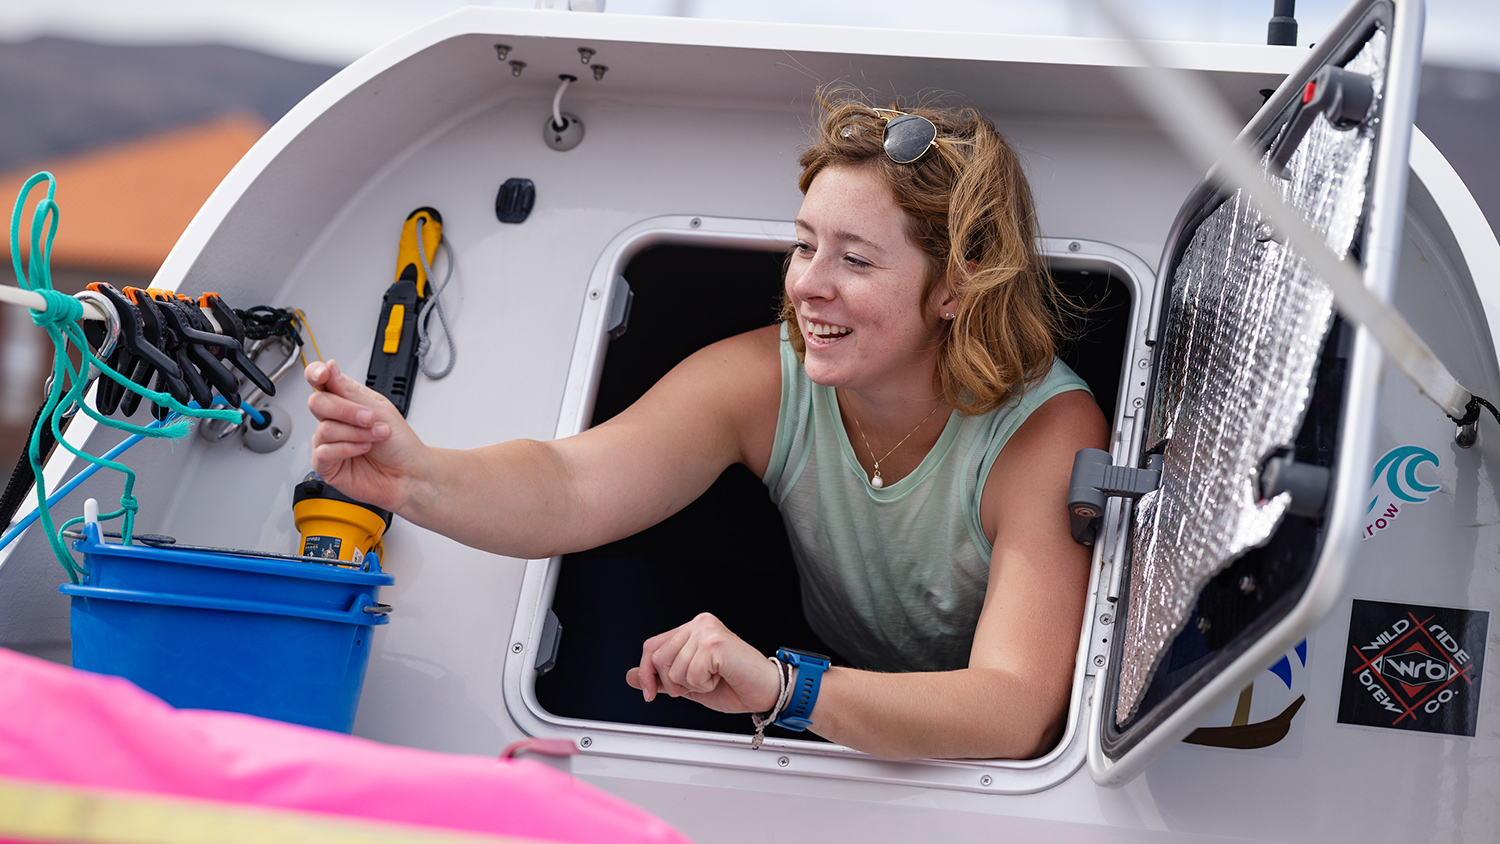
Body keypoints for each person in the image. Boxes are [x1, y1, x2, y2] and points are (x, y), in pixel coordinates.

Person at [304, 90, 1107, 761]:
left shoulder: (1044, 432)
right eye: (802, 247)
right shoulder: (768, 378)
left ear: (957, 288)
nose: (808, 287)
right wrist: (417, 475)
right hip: (846, 695)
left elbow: (1015, 709)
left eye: (856, 260)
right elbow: (572, 484)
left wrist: (786, 689)